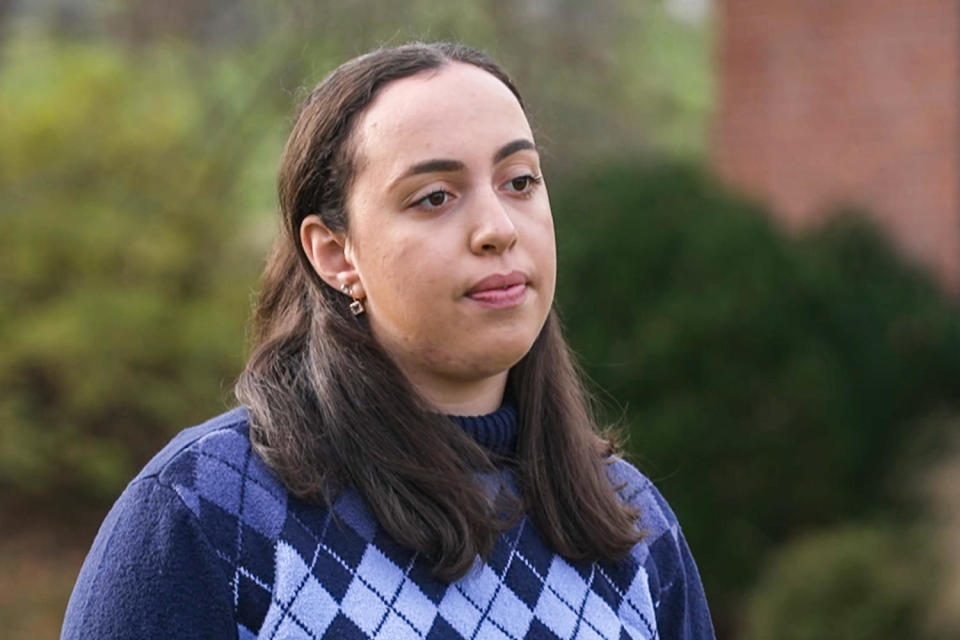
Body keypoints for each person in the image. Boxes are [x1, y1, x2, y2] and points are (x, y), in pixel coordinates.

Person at [61, 42, 715, 640]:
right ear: (334, 253)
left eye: (520, 181)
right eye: (434, 197)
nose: (497, 228)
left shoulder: (632, 525)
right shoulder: (212, 511)